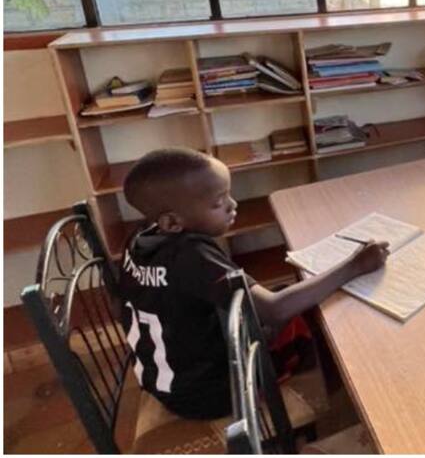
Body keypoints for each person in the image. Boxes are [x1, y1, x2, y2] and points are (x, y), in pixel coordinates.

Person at [117, 147, 389, 420]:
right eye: (218, 202)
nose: (233, 205)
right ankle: (342, 411)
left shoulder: (139, 239)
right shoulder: (192, 256)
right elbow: (274, 310)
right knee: (320, 320)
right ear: (172, 222)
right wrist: (356, 265)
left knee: (294, 296)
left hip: (170, 378)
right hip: (212, 394)